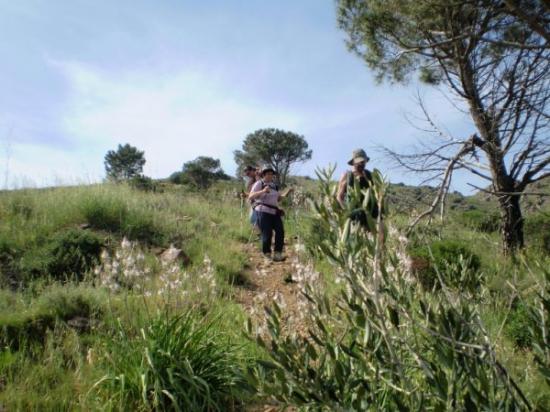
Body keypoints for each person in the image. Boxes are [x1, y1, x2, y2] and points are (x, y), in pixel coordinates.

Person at [248, 166, 292, 262]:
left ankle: (277, 254)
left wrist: (288, 192)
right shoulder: (259, 183)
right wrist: (263, 191)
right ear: (263, 175)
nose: (270, 175)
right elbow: (250, 196)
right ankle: (267, 255)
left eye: (271, 174)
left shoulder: (275, 186)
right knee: (267, 233)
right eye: (268, 174)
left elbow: (279, 198)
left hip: (274, 211)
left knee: (280, 231)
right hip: (262, 211)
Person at [336, 148, 379, 230]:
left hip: (369, 215)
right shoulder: (347, 176)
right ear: (354, 162)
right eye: (360, 162)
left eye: (364, 162)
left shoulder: (369, 175)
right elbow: (339, 197)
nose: (362, 164)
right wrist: (347, 212)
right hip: (354, 215)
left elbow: (375, 194)